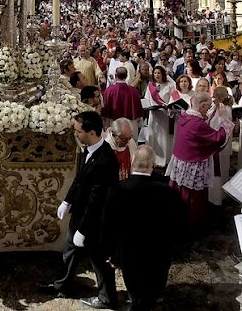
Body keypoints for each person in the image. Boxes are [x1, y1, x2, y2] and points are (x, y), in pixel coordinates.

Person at [41, 111, 119, 309]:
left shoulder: (106, 160)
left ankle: (107, 298)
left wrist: (83, 230)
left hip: (94, 219)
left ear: (91, 132)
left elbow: (96, 201)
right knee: (70, 251)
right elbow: (79, 178)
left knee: (99, 260)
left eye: (78, 131)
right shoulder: (89, 149)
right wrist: (67, 202)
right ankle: (63, 285)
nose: (75, 133)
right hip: (81, 213)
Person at [100, 145, 186, 311]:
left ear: (132, 162)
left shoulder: (117, 190)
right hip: (159, 253)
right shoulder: (168, 192)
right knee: (152, 292)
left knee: (136, 292)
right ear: (152, 165)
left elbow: (107, 224)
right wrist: (173, 248)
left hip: (129, 253)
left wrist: (110, 253)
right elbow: (180, 223)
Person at [165, 92, 228, 230]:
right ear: (203, 106)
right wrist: (224, 119)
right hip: (193, 163)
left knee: (180, 191)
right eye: (208, 107)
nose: (208, 109)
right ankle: (191, 224)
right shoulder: (197, 123)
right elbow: (218, 137)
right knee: (193, 197)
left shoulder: (185, 116)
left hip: (182, 159)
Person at [141, 66, 179, 167]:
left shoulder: (170, 85)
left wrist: (167, 105)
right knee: (154, 136)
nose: (157, 75)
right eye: (155, 73)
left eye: (159, 73)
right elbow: (147, 99)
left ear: (163, 74)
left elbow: (174, 98)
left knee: (164, 137)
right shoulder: (150, 85)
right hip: (154, 115)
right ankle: (153, 159)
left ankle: (165, 159)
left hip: (165, 115)